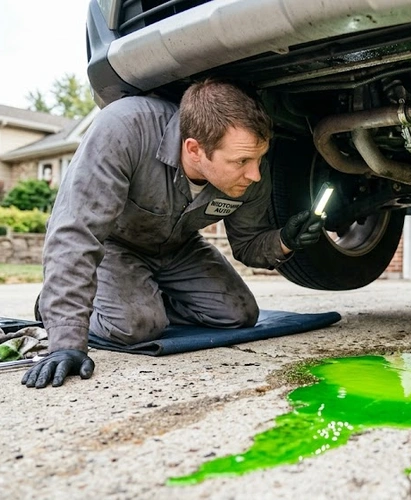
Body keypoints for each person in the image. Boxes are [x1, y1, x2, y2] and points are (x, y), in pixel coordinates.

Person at [22, 80, 322, 389]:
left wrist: (284, 241)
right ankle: (51, 304)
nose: (255, 174)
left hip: (180, 248)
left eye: (259, 159)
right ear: (194, 149)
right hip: (116, 245)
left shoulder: (250, 168)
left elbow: (247, 243)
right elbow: (75, 234)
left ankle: (144, 299)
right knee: (136, 325)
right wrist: (65, 341)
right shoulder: (124, 129)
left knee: (239, 313)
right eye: (242, 162)